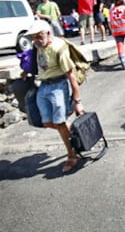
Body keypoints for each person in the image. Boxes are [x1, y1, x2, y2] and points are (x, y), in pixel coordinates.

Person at [25, 20, 84, 173]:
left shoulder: (59, 48)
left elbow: (71, 76)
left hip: (59, 86)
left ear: (48, 33)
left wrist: (77, 101)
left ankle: (72, 156)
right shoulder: (37, 46)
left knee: (59, 122)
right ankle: (72, 132)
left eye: (38, 36)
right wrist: (26, 71)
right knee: (46, 122)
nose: (36, 40)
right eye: (33, 37)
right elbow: (35, 63)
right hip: (44, 86)